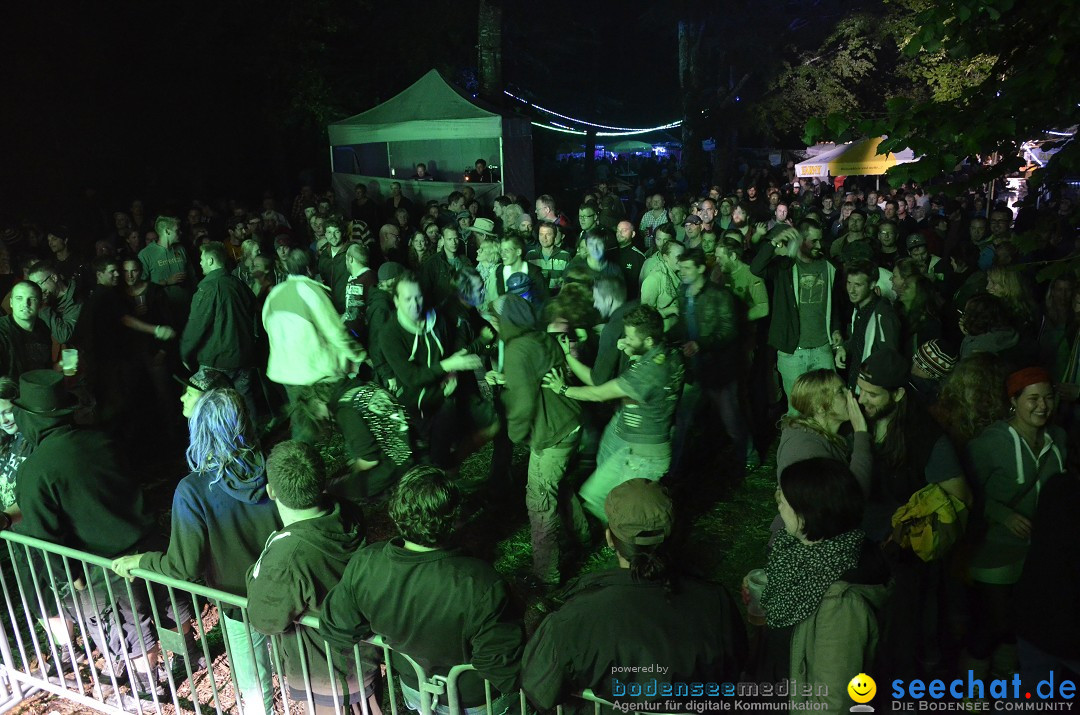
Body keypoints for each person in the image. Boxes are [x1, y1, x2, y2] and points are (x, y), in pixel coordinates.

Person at [112, 388, 280, 715]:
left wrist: (141, 561)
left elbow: (183, 566)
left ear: (199, 431)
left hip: (239, 602)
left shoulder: (193, 490)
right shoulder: (276, 468)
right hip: (289, 590)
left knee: (254, 684)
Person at [522, 479, 746, 710]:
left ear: (610, 539)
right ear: (673, 539)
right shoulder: (715, 602)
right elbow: (735, 673)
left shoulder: (575, 617)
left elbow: (538, 689)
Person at [318, 466, 523, 715]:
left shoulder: (367, 563)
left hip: (415, 688)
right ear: (454, 519)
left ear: (396, 512)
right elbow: (502, 669)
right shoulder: (481, 584)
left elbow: (336, 627)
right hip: (475, 700)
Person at [15, 370, 166, 697]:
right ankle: (181, 662)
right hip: (148, 544)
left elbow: (45, 538)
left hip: (104, 566)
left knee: (132, 629)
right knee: (167, 607)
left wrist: (73, 579)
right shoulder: (101, 438)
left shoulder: (35, 470)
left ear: (29, 420)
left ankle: (149, 693)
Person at [245, 441, 382, 715]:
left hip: (325, 677)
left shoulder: (287, 556)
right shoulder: (346, 512)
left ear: (271, 491)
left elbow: (264, 619)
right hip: (363, 660)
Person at [756, 458, 890, 713]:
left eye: (783, 500)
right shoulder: (795, 551)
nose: (777, 502)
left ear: (806, 517)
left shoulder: (841, 605)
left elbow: (832, 703)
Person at [964, 367, 1065, 679]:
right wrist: (1002, 514)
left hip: (1037, 553)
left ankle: (1006, 673)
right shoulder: (991, 443)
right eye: (1032, 398)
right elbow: (965, 492)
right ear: (1014, 401)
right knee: (997, 619)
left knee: (1023, 619)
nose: (1042, 406)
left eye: (1048, 398)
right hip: (995, 549)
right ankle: (974, 680)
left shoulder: (1058, 438)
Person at [544, 306, 684, 520]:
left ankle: (627, 546)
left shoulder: (648, 372)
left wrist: (563, 388)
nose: (625, 340)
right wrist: (630, 353)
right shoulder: (668, 353)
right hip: (632, 444)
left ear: (647, 340)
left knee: (625, 513)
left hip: (643, 456)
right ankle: (616, 538)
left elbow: (599, 393)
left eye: (629, 337)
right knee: (595, 496)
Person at [497, 294, 588, 586]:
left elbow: (524, 403)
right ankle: (583, 535)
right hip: (571, 423)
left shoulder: (516, 350)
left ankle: (546, 574)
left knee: (540, 500)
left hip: (552, 434)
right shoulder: (540, 337)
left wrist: (515, 434)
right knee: (557, 484)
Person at [262, 248, 365, 444]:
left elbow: (267, 325)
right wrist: (358, 355)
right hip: (312, 372)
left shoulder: (275, 294)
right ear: (310, 268)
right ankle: (356, 451)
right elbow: (334, 332)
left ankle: (299, 462)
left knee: (301, 419)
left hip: (285, 372)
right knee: (331, 414)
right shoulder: (310, 291)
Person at [751, 224, 840, 411]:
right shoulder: (785, 267)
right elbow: (756, 268)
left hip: (823, 349)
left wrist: (836, 331)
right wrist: (774, 241)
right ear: (800, 241)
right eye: (813, 241)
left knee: (827, 408)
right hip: (793, 352)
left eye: (820, 240)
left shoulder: (829, 267)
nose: (819, 245)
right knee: (797, 410)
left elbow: (837, 303)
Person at [180, 241, 260, 420]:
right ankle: (253, 442)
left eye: (201, 259)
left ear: (210, 260)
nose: (199, 263)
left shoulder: (208, 288)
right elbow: (253, 311)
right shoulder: (238, 283)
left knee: (215, 408)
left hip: (218, 359)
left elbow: (197, 325)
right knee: (245, 401)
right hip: (244, 356)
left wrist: (185, 351)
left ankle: (224, 444)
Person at [776, 369, 872, 494]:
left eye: (846, 388)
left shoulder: (832, 433)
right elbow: (853, 496)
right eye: (840, 391)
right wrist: (861, 433)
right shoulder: (806, 450)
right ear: (820, 407)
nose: (850, 394)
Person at [834, 260, 901, 389]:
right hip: (857, 385)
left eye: (858, 285)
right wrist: (844, 348)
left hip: (870, 391)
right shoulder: (858, 309)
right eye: (849, 283)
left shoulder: (883, 314)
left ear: (872, 285)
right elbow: (858, 340)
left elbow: (888, 358)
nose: (851, 290)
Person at [0, 281, 53, 379]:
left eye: (32, 299)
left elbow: (45, 366)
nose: (25, 304)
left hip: (38, 388)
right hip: (11, 392)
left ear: (40, 304)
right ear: (11, 303)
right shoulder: (2, 331)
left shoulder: (42, 328)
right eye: (19, 298)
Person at [639, 239, 683, 332]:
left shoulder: (681, 274)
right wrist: (672, 310)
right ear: (665, 257)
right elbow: (645, 315)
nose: (682, 260)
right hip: (661, 333)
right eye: (678, 257)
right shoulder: (654, 279)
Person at [526, 222, 572, 294]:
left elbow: (568, 282)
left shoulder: (565, 256)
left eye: (548, 234)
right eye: (541, 234)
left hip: (556, 300)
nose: (544, 238)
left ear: (555, 236)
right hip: (536, 299)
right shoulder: (531, 255)